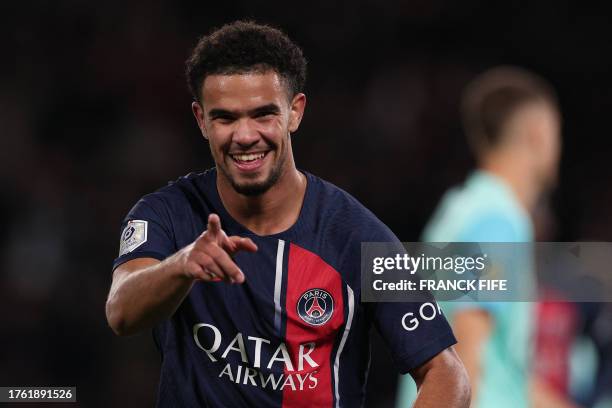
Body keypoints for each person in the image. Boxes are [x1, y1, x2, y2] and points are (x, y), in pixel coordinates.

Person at [105, 20, 469, 407]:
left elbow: (447, 373)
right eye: (225, 118)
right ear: (201, 120)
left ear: (295, 112)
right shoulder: (168, 213)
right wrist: (180, 266)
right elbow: (121, 311)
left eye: (263, 115)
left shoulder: (360, 239)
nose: (244, 136)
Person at [396, 66, 573, 407]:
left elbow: (502, 372)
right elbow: (466, 351)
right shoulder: (498, 221)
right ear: (539, 132)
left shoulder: (459, 209)